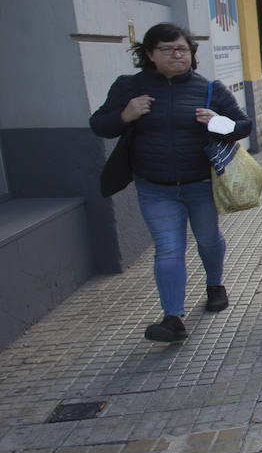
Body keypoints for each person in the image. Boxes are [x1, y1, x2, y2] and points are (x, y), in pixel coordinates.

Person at [89, 23, 252, 342]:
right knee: (168, 248)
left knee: (207, 239)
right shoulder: (129, 88)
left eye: (183, 49)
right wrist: (126, 115)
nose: (177, 54)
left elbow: (242, 125)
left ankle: (215, 284)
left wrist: (218, 122)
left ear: (192, 53)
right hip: (154, 187)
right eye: (167, 49)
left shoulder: (210, 89)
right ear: (149, 54)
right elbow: (100, 124)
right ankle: (173, 318)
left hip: (200, 183)